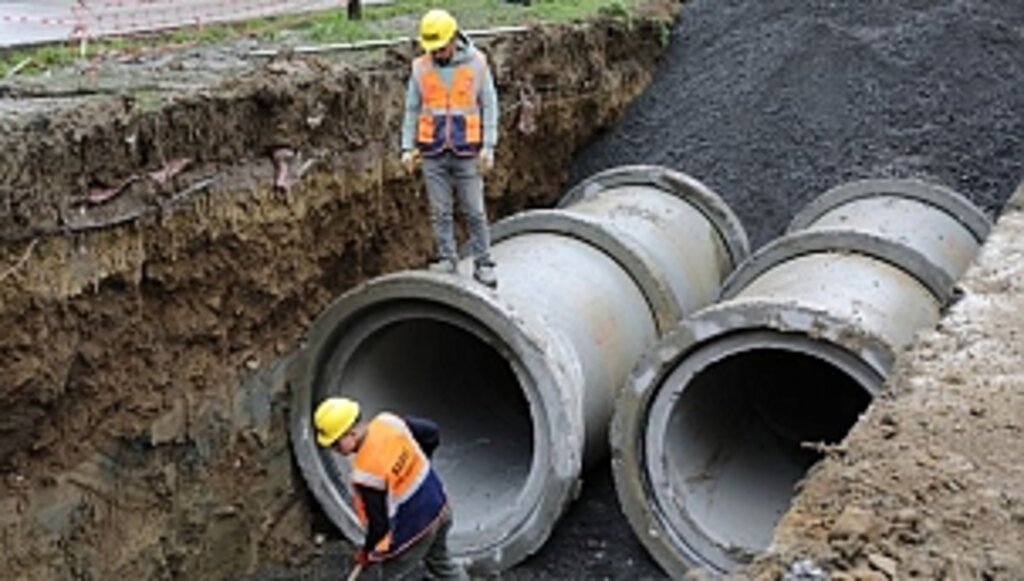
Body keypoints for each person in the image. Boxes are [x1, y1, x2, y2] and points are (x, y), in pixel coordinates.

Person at [314, 397, 468, 580]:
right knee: (442, 562)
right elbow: (431, 432)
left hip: (415, 529)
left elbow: (379, 526)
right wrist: (420, 465)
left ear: (352, 434)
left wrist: (367, 552)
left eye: (335, 444)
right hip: (439, 505)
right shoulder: (388, 422)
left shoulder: (366, 473)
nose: (334, 449)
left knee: (393, 576)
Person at [400, 9, 500, 289]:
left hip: (467, 150)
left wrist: (489, 146)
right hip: (432, 151)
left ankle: (484, 263)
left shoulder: (478, 64)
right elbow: (411, 109)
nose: (437, 53)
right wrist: (407, 147)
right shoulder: (420, 67)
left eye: (441, 47)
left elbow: (489, 105)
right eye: (432, 48)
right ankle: (447, 258)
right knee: (440, 211)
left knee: (474, 211)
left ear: (454, 38)